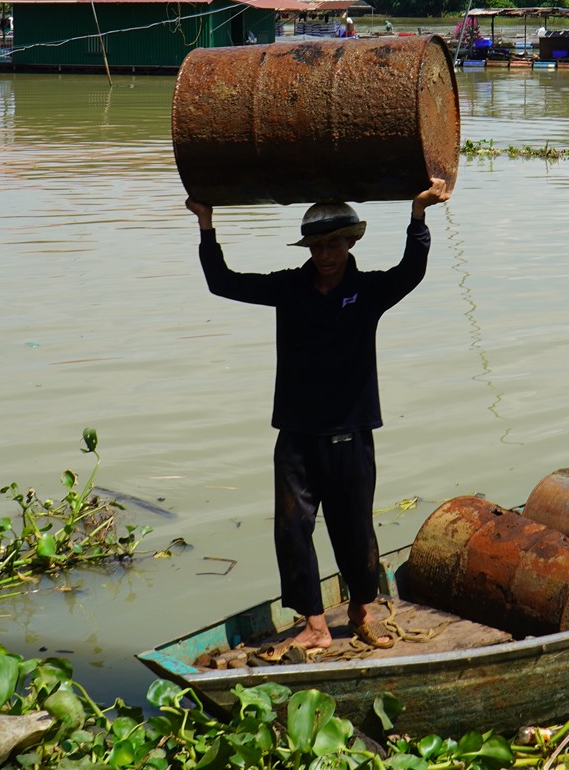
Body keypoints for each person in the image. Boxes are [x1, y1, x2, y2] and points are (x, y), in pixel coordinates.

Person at [185, 178, 451, 657]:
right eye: (317, 245)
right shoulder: (290, 286)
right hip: (296, 433)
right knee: (291, 530)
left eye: (334, 244)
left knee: (353, 530)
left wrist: (418, 215)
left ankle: (361, 613)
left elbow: (411, 270)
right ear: (306, 248)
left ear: (351, 244)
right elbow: (222, 283)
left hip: (351, 432)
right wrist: (206, 225)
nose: (325, 254)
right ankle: (314, 623)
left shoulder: (368, 291)